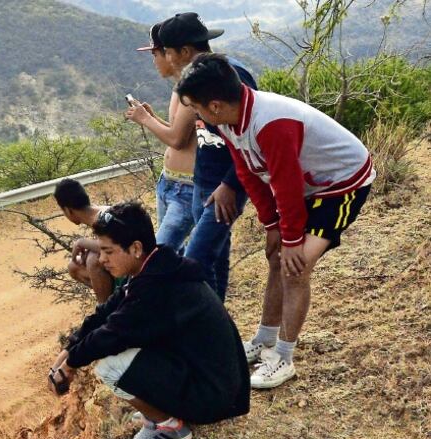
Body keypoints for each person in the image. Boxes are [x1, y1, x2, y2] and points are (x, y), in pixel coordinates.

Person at [175, 53, 375, 389]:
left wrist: (293, 239)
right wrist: (271, 226)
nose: (195, 114)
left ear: (214, 105)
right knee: (275, 257)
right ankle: (265, 338)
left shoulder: (272, 123)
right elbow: (247, 172)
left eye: (195, 107)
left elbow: (287, 183)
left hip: (342, 184)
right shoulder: (227, 119)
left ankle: (283, 357)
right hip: (309, 184)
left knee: (294, 266)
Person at [48, 201, 250, 439]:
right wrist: (68, 350)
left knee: (110, 366)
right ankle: (161, 407)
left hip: (214, 398)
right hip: (214, 381)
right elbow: (106, 312)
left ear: (135, 248)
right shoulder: (156, 267)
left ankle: (168, 426)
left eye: (108, 252)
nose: (101, 259)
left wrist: (71, 364)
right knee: (119, 347)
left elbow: (112, 334)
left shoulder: (158, 288)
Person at [126, 12, 257, 301]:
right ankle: (218, 326)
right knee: (214, 259)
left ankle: (201, 326)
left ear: (184, 51)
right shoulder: (194, 79)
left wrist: (230, 185)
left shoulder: (230, 74)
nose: (165, 58)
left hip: (223, 187)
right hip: (204, 183)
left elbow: (249, 138)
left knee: (194, 258)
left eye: (168, 52)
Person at [125, 23, 198, 266]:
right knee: (172, 257)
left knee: (155, 259)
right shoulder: (180, 86)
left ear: (171, 53)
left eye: (156, 54)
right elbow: (180, 133)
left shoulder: (193, 88)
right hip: (169, 183)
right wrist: (152, 117)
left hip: (186, 189)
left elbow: (177, 140)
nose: (155, 60)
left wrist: (146, 120)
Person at [53, 178, 115, 303]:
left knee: (93, 259)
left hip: (135, 269)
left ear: (68, 210)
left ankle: (105, 311)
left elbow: (117, 246)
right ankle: (114, 300)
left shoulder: (102, 217)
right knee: (74, 267)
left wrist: (81, 242)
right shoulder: (99, 213)